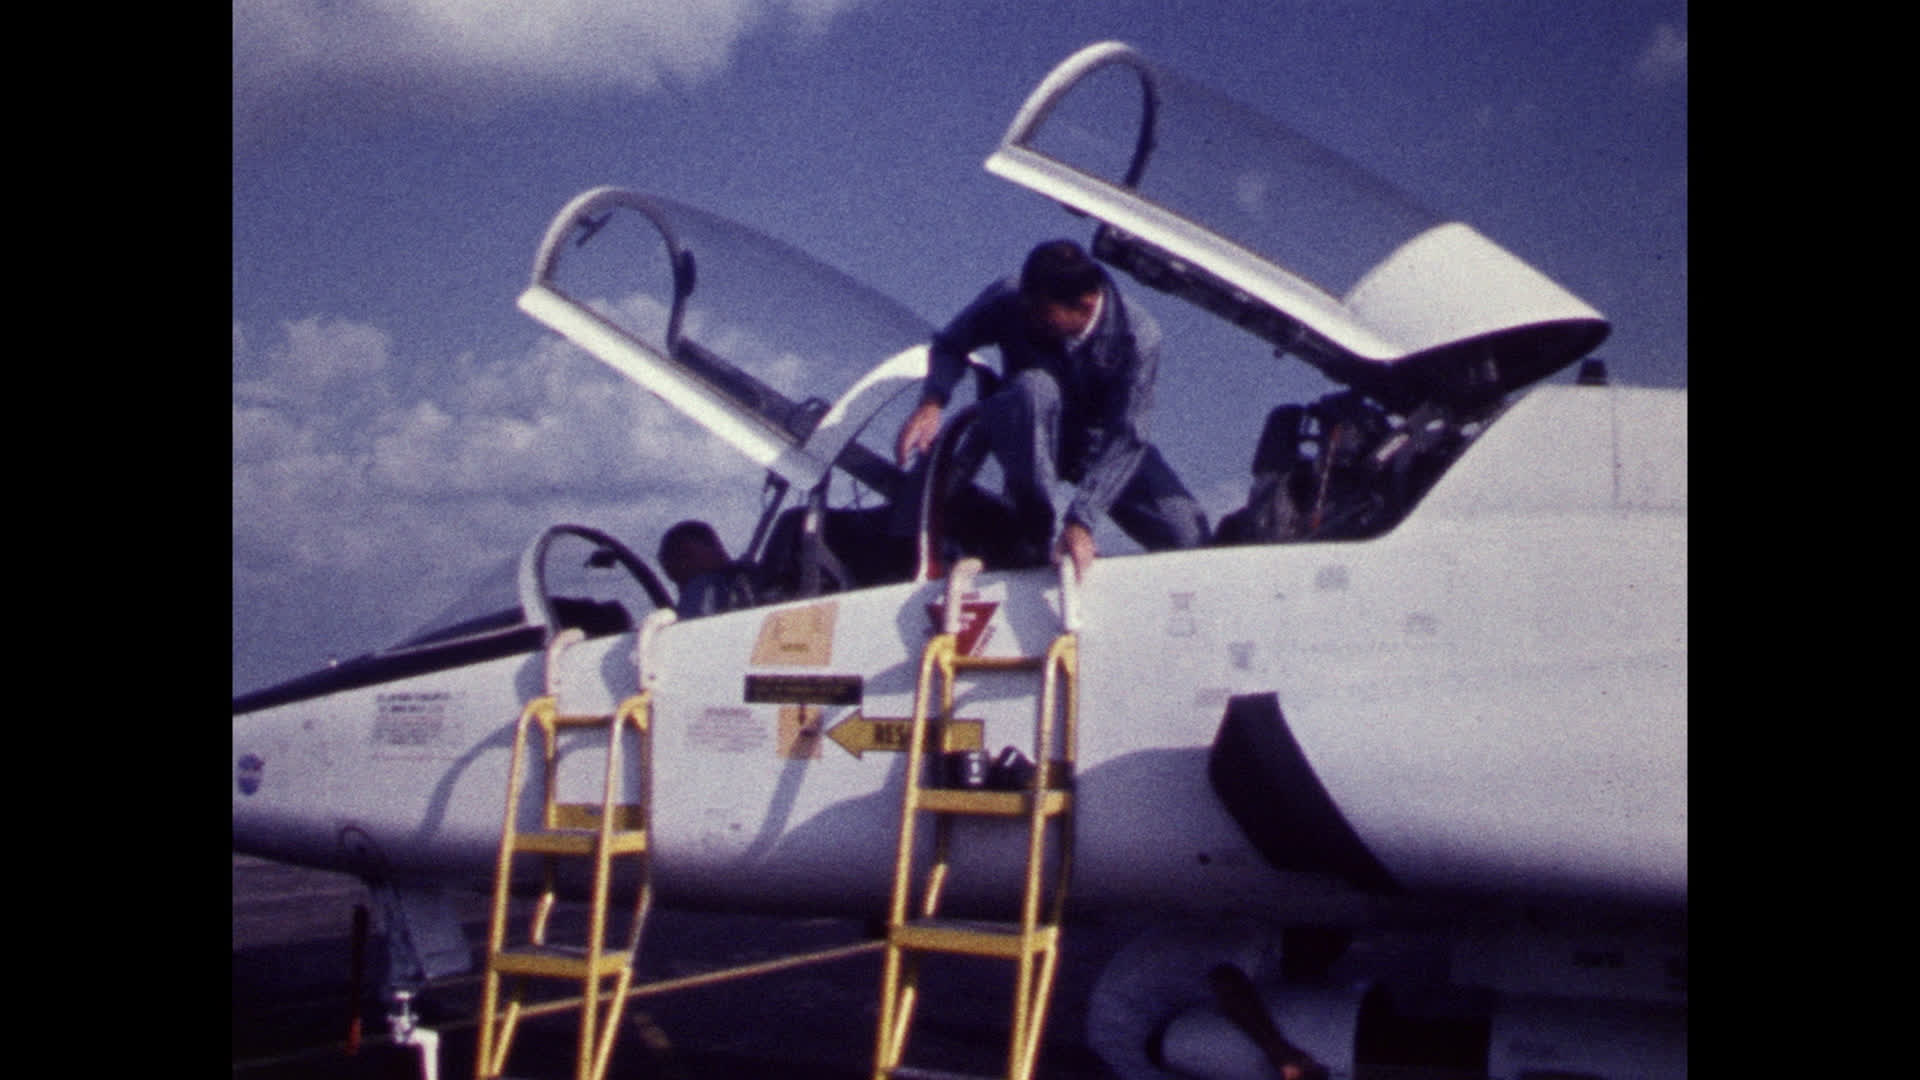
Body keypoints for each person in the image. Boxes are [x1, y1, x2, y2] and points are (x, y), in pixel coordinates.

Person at [894, 239, 1208, 578]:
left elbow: (1128, 435)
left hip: (1101, 444)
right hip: (1025, 430)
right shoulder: (1012, 297)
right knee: (1034, 388)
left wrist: (1081, 520)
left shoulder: (1138, 336)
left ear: (1085, 305)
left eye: (1041, 315)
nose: (1027, 319)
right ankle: (1032, 535)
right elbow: (950, 344)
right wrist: (932, 402)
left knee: (1188, 536)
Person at [657, 520, 757, 617]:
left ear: (714, 548)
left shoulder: (703, 587)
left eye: (685, 556)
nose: (682, 567)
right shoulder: (751, 581)